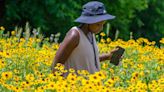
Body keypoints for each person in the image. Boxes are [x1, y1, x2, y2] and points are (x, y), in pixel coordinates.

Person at [51, 1, 122, 77]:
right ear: (88, 21)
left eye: (102, 24)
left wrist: (108, 56)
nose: (101, 28)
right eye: (98, 24)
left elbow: (88, 60)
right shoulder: (74, 35)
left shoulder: (91, 34)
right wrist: (62, 85)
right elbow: (56, 64)